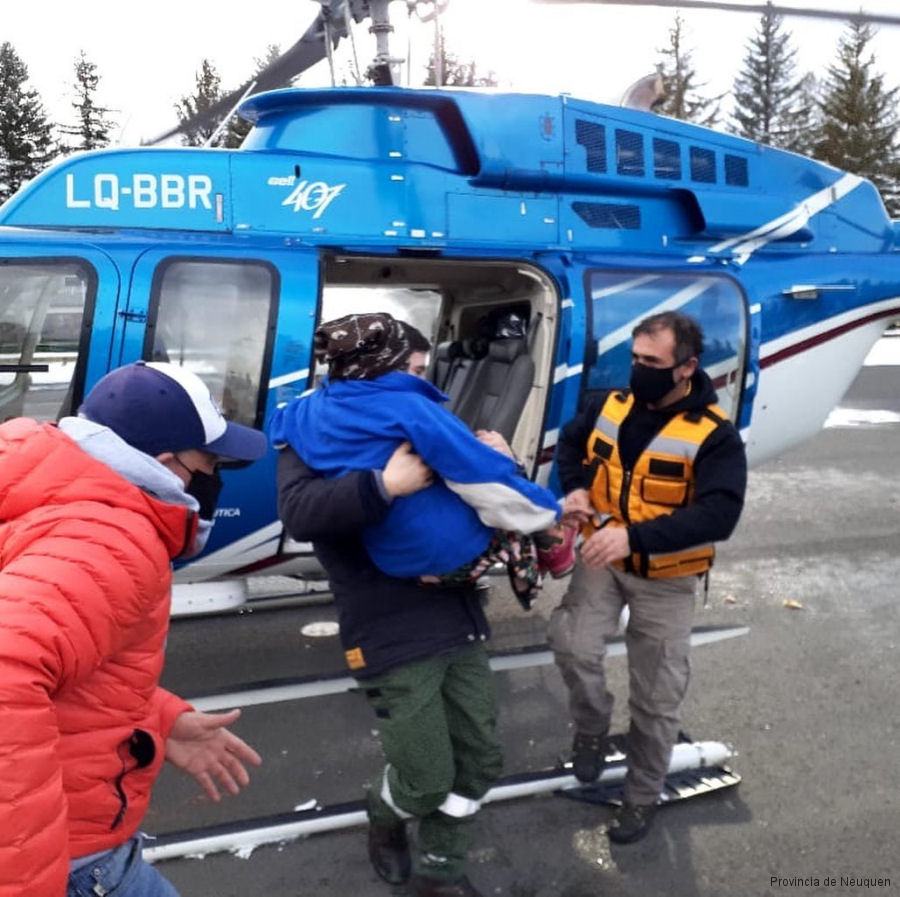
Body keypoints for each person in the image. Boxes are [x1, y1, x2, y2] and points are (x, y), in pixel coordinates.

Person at [274, 312, 554, 897]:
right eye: (418, 370)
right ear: (385, 367)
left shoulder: (407, 417)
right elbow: (301, 514)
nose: (427, 382)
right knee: (425, 778)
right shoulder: (310, 435)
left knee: (478, 763)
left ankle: (442, 870)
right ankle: (384, 814)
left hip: (457, 616)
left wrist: (503, 459)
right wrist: (385, 486)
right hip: (388, 627)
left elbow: (481, 484)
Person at [0, 361, 267, 897]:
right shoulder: (115, 536)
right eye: (211, 461)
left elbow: (63, 655)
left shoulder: (51, 489)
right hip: (74, 863)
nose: (215, 475)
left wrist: (156, 715)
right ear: (167, 463)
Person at [548, 311, 747, 844]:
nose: (639, 371)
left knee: (657, 698)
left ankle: (640, 798)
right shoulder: (607, 405)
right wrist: (575, 489)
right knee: (573, 644)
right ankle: (591, 732)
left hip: (666, 576)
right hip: (604, 560)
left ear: (687, 367)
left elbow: (720, 514)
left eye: (652, 362)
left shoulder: (715, 437)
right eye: (635, 358)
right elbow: (570, 447)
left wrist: (636, 538)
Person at [270, 312, 574, 608]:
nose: (420, 379)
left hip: (390, 555)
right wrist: (550, 510)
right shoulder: (411, 408)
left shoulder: (307, 408)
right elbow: (483, 478)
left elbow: (277, 427)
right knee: (514, 511)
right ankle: (538, 568)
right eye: (414, 369)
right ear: (388, 362)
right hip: (444, 554)